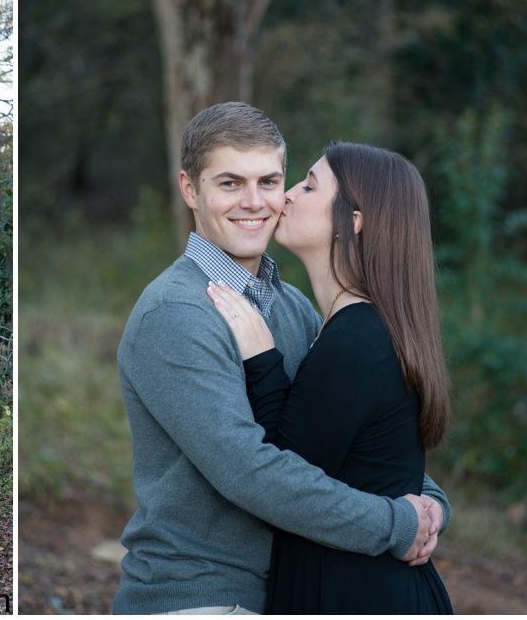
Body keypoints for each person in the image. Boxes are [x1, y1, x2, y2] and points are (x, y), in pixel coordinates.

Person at [113, 103, 449, 615]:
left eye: (270, 182)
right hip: (202, 593)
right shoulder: (176, 312)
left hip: (286, 591)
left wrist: (428, 502)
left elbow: (347, 430)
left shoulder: (294, 307)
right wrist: (396, 524)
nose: (255, 202)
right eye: (230, 183)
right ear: (189, 190)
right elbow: (248, 469)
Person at [207, 141, 453, 613]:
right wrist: (433, 508)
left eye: (309, 185)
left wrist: (262, 361)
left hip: (357, 594)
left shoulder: (356, 340)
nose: (289, 195)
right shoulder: (359, 328)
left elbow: (281, 475)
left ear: (352, 222)